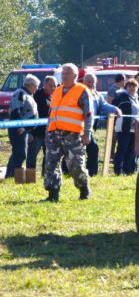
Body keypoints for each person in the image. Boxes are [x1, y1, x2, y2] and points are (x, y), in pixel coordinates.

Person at [43, 63, 93, 202]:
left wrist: (87, 133)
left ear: (75, 76)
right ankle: (53, 194)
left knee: (75, 165)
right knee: (51, 165)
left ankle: (84, 189)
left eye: (67, 73)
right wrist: (48, 131)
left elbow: (88, 114)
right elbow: (51, 112)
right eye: (63, 73)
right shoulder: (57, 90)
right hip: (54, 133)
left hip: (73, 135)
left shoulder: (82, 91)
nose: (64, 76)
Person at [83, 73, 121, 176]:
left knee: (93, 150)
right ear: (83, 82)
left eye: (93, 82)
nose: (91, 84)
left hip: (89, 128)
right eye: (88, 82)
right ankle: (67, 172)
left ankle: (92, 173)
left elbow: (104, 106)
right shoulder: (79, 93)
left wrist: (116, 109)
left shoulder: (97, 95)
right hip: (78, 127)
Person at [6, 74, 39, 178]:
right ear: (30, 85)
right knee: (20, 154)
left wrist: (28, 130)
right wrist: (20, 126)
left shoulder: (28, 94)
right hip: (18, 129)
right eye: (36, 86)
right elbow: (15, 111)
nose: (37, 88)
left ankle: (10, 175)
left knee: (18, 153)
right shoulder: (20, 93)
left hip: (25, 129)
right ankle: (12, 176)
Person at [113, 79, 139, 175]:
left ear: (137, 88)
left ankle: (128, 170)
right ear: (126, 87)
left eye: (134, 86)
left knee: (132, 151)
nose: (132, 88)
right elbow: (113, 106)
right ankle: (118, 171)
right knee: (122, 149)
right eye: (129, 86)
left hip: (137, 129)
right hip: (125, 128)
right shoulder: (122, 97)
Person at [27, 75, 57, 176]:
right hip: (36, 133)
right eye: (50, 86)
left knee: (48, 155)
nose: (52, 88)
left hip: (49, 132)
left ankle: (45, 175)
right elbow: (29, 114)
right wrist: (29, 132)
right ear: (44, 85)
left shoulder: (54, 97)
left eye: (54, 86)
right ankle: (29, 177)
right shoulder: (36, 95)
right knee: (32, 155)